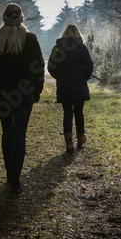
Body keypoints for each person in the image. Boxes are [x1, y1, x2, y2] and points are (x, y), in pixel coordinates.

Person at [0, 3, 44, 194]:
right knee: (19, 134)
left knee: (7, 133)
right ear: (21, 17)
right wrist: (37, 90)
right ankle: (16, 179)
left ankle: (9, 176)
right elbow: (38, 66)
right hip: (24, 94)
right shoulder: (30, 39)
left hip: (2, 94)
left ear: (4, 18)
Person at [48, 24, 93, 153]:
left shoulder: (57, 49)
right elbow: (89, 66)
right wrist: (84, 77)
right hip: (79, 84)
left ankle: (69, 144)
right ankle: (80, 139)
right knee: (79, 112)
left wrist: (59, 77)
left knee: (67, 113)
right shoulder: (82, 48)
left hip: (64, 85)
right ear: (77, 34)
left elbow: (51, 67)